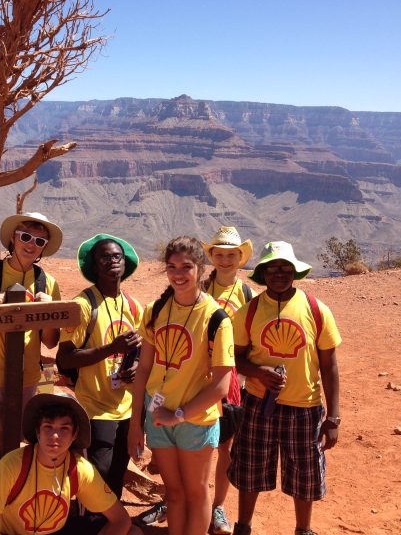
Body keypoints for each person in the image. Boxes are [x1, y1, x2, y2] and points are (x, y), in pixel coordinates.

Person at [228, 241, 341, 535]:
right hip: (257, 404)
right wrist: (257, 372)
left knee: (305, 475)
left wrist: (334, 418)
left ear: (294, 272)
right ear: (263, 273)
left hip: (304, 408)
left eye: (285, 268)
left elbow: (329, 366)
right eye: (272, 268)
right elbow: (234, 358)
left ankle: (303, 530)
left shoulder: (316, 310)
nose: (279, 274)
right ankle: (243, 527)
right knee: (250, 471)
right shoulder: (249, 312)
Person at [128, 236, 234, 535]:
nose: (178, 274)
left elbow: (221, 386)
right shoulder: (155, 311)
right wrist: (137, 424)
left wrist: (179, 415)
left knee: (197, 492)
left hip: (195, 420)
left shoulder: (216, 318)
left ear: (201, 269)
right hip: (158, 416)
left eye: (186, 266)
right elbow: (144, 369)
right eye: (171, 266)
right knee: (173, 493)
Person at [0, 391, 140, 535]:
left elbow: (121, 520)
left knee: (133, 532)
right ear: (37, 432)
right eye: (48, 427)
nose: (55, 436)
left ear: (75, 435)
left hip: (57, 531)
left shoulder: (79, 469)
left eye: (64, 429)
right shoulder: (12, 465)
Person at [0, 212, 63, 458]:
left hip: (27, 379)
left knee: (12, 450)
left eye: (40, 241)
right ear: (13, 239)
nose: (31, 245)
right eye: (26, 237)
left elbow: (50, 341)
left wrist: (48, 312)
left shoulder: (47, 283)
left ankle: (0, 494)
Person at [56, 234, 142, 499]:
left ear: (125, 264)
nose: (112, 261)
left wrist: (136, 365)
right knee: (98, 473)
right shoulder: (83, 305)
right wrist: (111, 349)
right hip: (95, 407)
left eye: (117, 256)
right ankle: (89, 523)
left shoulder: (133, 306)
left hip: (126, 406)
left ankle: (109, 524)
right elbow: (65, 359)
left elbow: (140, 351)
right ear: (94, 265)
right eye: (104, 257)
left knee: (117, 472)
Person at [200, 226, 255, 535]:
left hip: (235, 381)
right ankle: (194, 499)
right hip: (201, 377)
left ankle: (217, 506)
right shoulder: (201, 288)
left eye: (231, 255)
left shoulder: (247, 294)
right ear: (212, 257)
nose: (225, 260)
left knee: (226, 446)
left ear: (240, 258)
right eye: (219, 254)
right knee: (199, 444)